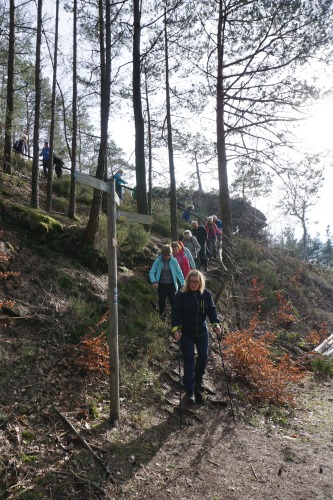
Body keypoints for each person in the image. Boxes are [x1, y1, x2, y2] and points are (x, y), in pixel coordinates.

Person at [171, 270, 222, 404]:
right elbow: (175, 313)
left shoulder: (206, 294)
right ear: (188, 282)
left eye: (196, 282)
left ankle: (198, 379)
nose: (194, 284)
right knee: (188, 359)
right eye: (191, 282)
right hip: (186, 332)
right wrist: (175, 328)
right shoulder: (181, 295)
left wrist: (215, 323)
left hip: (202, 331)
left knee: (203, 356)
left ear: (200, 282)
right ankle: (190, 391)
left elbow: (211, 310)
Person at [149, 244, 185, 319]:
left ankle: (175, 320)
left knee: (173, 303)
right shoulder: (158, 260)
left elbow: (179, 272)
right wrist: (154, 282)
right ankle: (162, 321)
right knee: (162, 304)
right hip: (161, 285)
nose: (167, 257)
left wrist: (182, 283)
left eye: (169, 255)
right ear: (162, 254)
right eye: (165, 255)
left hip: (172, 285)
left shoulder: (174, 261)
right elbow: (152, 272)